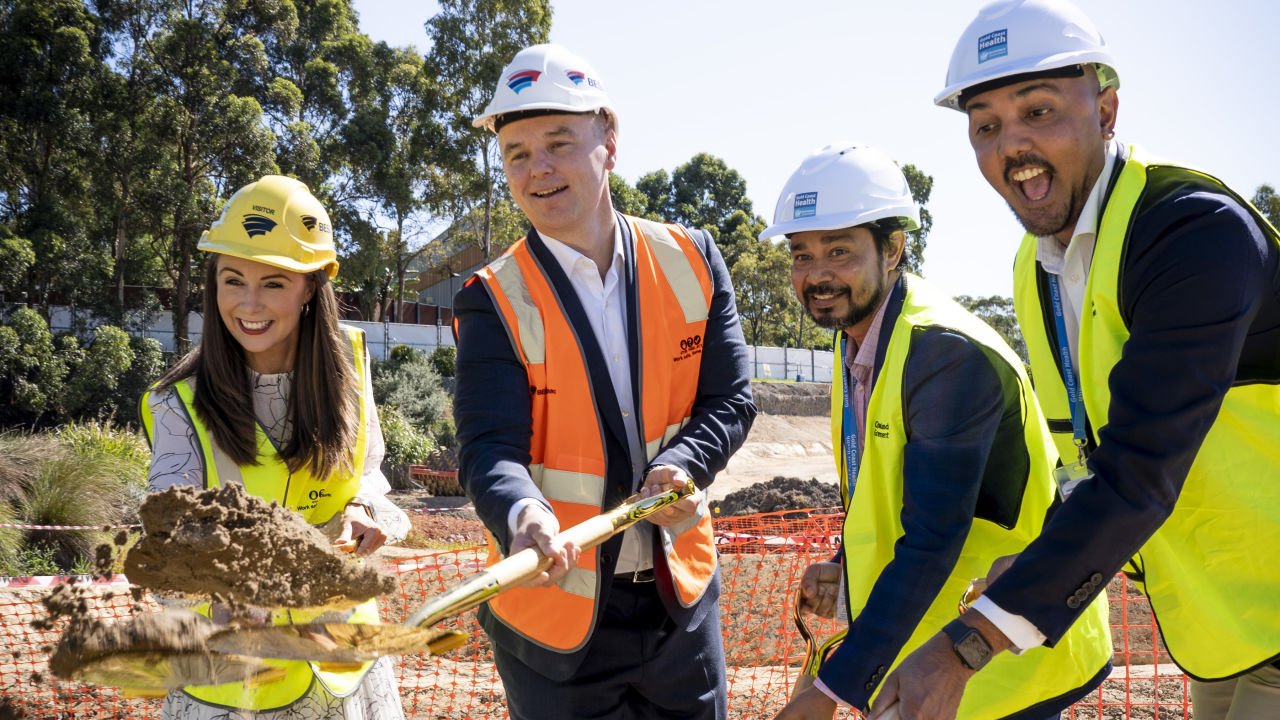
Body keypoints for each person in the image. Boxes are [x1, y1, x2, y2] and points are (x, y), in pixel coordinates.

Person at [873, 2, 1280, 719]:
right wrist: (1033, 561)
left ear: (1108, 108)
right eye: (987, 126)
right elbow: (1087, 458)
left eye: (1040, 110)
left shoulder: (1193, 235)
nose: (1013, 146)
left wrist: (969, 644)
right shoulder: (1038, 267)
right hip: (1225, 625)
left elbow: (1140, 472)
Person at [452, 43, 756, 720]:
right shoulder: (492, 298)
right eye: (518, 153)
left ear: (609, 141)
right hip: (557, 630)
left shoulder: (692, 259)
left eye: (559, 142)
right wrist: (526, 515)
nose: (539, 169)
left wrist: (683, 463)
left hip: (680, 606)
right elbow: (487, 448)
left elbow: (731, 399)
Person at [765, 144, 1110, 720]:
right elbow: (887, 486)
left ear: (893, 249)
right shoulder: (858, 336)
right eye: (802, 255)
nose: (817, 274)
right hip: (928, 658)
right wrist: (845, 564)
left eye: (839, 250)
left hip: (998, 666)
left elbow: (933, 536)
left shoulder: (943, 352)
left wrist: (828, 691)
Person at [139, 175, 411, 719]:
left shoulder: (349, 374)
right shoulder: (179, 405)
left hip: (341, 663)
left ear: (310, 286)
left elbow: (368, 473)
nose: (249, 304)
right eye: (233, 280)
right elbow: (165, 540)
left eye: (274, 283)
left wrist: (362, 510)